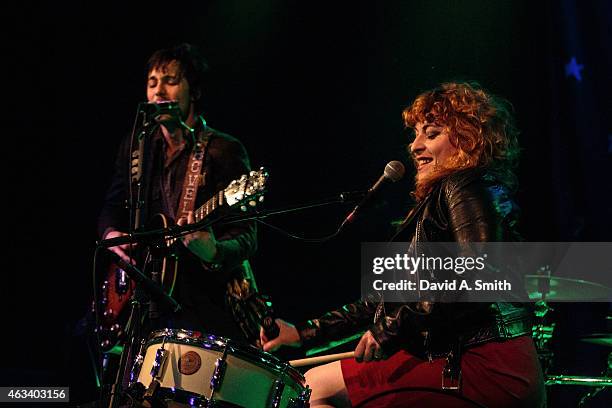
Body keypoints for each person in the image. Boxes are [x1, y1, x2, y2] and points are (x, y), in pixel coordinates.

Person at [262, 82, 545, 407]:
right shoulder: (450, 195)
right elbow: (387, 300)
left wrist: (391, 331)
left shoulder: (464, 184)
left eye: (432, 133)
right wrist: (304, 332)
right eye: (415, 134)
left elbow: (478, 275)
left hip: (485, 364)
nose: (415, 146)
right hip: (469, 359)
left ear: (467, 139)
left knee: (312, 387)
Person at [98, 43, 259, 342]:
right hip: (145, 303)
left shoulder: (223, 151)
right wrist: (110, 235)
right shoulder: (137, 147)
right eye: (152, 83)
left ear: (194, 92)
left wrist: (214, 251)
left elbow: (247, 235)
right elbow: (112, 204)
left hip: (206, 305)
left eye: (170, 82)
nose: (159, 92)